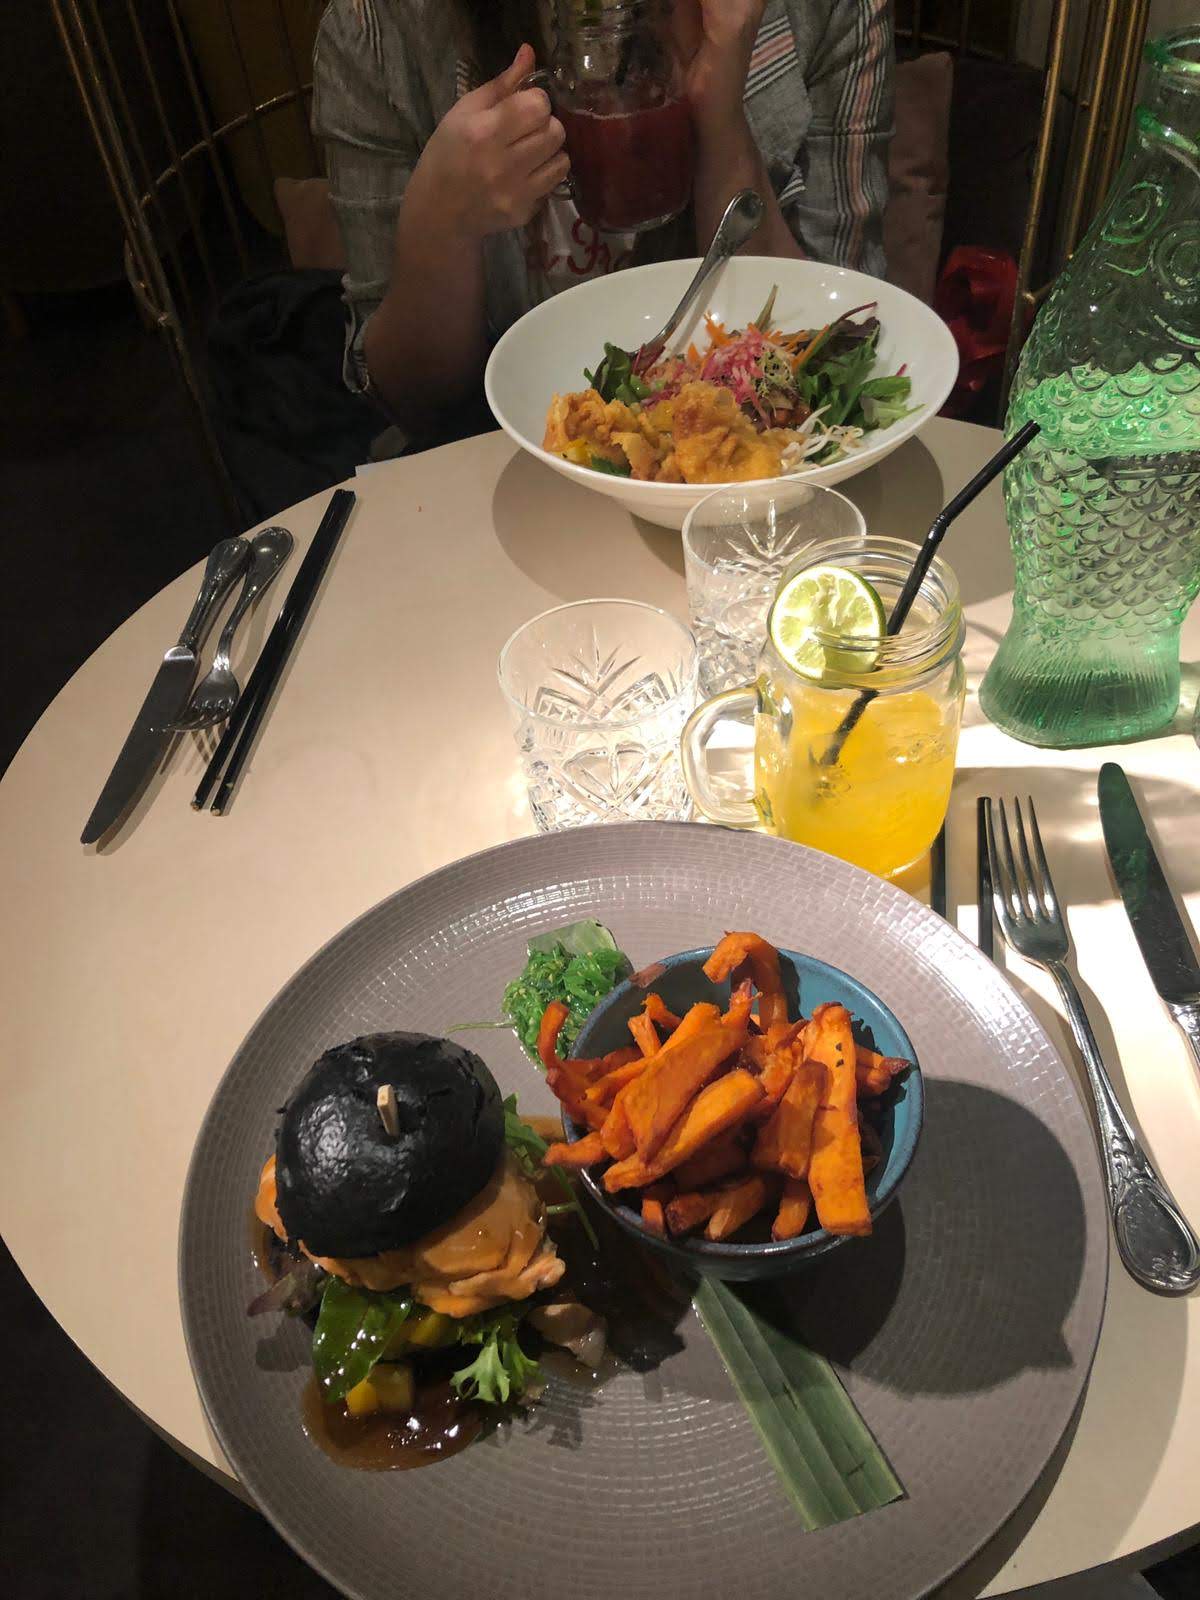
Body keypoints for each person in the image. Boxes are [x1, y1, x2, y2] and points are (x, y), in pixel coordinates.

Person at [312, 0, 893, 439]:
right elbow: (410, 402)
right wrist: (440, 227)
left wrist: (719, 118)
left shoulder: (825, 12)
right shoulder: (379, 31)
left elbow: (845, 355)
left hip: (760, 481)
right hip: (500, 479)